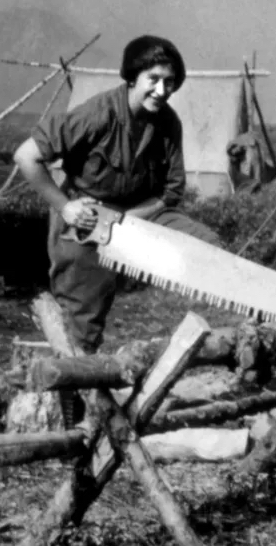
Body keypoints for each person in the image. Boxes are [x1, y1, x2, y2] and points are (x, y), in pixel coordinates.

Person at [14, 35, 221, 354]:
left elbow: (171, 193)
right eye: (153, 80)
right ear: (132, 77)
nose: (162, 90)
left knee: (212, 251)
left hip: (141, 213)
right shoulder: (98, 114)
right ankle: (74, 393)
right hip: (85, 219)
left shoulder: (168, 122)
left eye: (169, 82)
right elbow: (26, 156)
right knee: (81, 327)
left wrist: (126, 220)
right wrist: (66, 208)